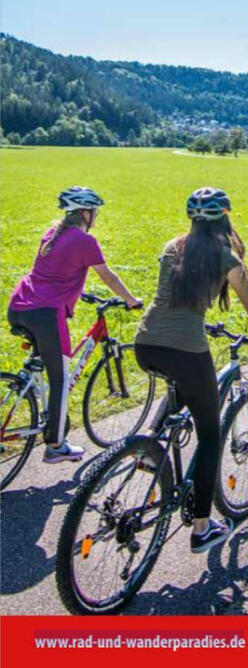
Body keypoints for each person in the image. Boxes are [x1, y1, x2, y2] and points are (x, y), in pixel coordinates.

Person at [135, 186, 248, 555]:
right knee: (209, 436)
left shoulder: (171, 247)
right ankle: (203, 527)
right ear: (225, 218)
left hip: (146, 343)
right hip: (186, 350)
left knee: (179, 389)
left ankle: (148, 446)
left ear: (192, 219)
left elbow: (174, 297)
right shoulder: (227, 259)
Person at [8, 186, 142, 464]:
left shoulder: (52, 233)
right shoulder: (84, 241)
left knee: (42, 366)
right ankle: (56, 446)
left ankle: (36, 404)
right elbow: (109, 277)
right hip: (46, 315)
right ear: (85, 212)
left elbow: (54, 273)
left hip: (20, 307)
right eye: (95, 212)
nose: (97, 217)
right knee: (60, 379)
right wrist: (131, 300)